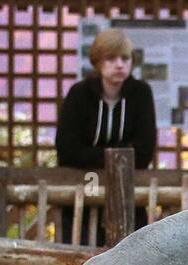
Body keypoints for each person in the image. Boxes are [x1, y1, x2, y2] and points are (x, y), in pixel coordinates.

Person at [55, 28, 157, 242]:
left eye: (125, 58)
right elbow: (68, 150)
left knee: (130, 255)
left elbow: (145, 151)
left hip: (127, 190)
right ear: (98, 62)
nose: (119, 64)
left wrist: (97, 155)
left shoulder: (141, 93)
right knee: (80, 253)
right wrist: (117, 156)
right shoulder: (79, 94)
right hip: (84, 188)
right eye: (111, 58)